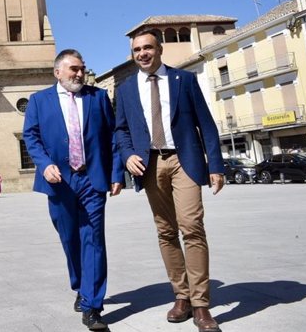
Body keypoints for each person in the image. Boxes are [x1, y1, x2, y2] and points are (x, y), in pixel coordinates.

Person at [114, 29, 225, 332]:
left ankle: (201, 306)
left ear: (159, 49)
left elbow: (206, 123)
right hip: (149, 165)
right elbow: (120, 130)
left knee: (191, 227)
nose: (142, 54)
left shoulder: (184, 80)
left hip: (183, 160)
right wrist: (126, 155)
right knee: (165, 231)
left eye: (147, 47)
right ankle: (182, 296)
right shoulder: (124, 89)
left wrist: (215, 165)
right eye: (137, 50)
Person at [23, 49, 124, 331]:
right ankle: (81, 285)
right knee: (69, 238)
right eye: (73, 69)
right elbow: (30, 137)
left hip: (92, 179)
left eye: (82, 68)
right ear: (58, 72)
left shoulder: (98, 97)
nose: (79, 73)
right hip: (59, 181)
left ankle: (93, 305)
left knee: (93, 239)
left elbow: (111, 137)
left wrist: (116, 173)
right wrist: (44, 164)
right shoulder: (38, 101)